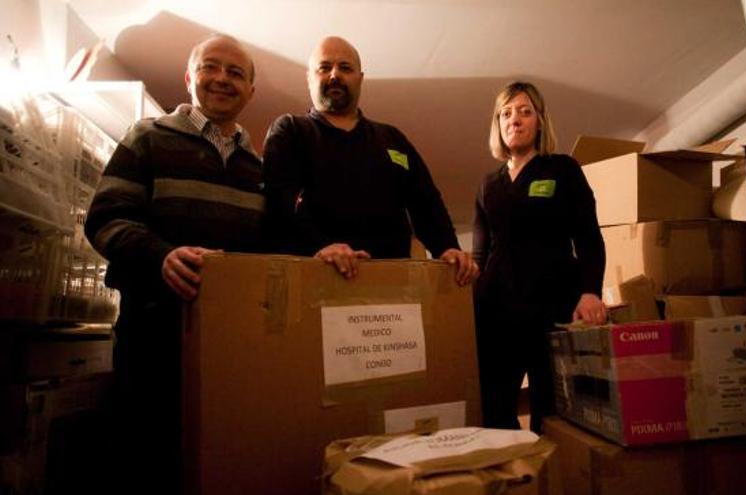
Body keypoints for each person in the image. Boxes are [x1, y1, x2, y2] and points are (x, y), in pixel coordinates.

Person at [84, 34, 262, 493]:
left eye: (236, 73)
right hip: (151, 340)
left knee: (216, 463)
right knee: (146, 463)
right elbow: (105, 219)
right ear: (190, 77)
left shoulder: (258, 168)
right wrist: (160, 256)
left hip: (232, 349)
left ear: (250, 91)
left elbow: (272, 249)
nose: (222, 78)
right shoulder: (147, 136)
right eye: (211, 67)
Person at [263, 36, 477, 285]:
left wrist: (447, 248)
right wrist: (319, 247)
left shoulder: (392, 138)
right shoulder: (290, 129)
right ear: (309, 77)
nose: (335, 75)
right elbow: (278, 200)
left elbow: (426, 201)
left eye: (345, 67)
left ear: (360, 78)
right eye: (324, 67)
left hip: (393, 287)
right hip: (317, 282)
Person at [472, 81, 606, 433]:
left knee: (550, 413)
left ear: (540, 121)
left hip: (552, 310)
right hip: (497, 314)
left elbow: (589, 238)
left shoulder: (562, 169)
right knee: (494, 409)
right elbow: (480, 254)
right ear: (498, 125)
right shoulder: (488, 184)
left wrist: (591, 291)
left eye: (524, 111)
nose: (514, 119)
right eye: (506, 113)